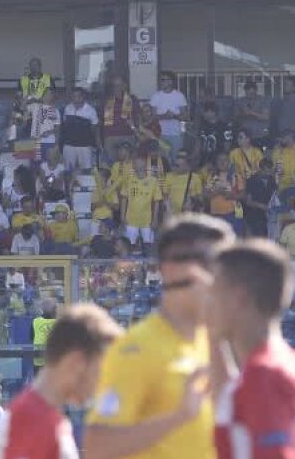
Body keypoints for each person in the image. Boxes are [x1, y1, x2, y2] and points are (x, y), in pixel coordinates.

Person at [84, 213, 234, 459]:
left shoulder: (209, 341)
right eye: (212, 264)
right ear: (172, 270)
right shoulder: (136, 349)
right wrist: (178, 417)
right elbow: (97, 446)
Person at [0, 304, 123, 459]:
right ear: (76, 362)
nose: (100, 385)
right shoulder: (33, 422)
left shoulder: (42, 417)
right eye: (98, 372)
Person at [208, 239, 295, 459]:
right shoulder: (279, 363)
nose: (207, 304)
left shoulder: (262, 376)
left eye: (214, 292)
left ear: (238, 297)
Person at [120, 156, 163, 252]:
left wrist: (155, 219)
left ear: (144, 165)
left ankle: (148, 267)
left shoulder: (153, 181)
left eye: (139, 163)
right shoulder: (128, 180)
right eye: (135, 163)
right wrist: (122, 216)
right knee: (129, 246)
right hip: (130, 220)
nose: (136, 165)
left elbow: (157, 202)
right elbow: (124, 199)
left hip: (147, 221)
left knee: (149, 247)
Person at [151, 72, 189, 164]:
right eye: (161, 80)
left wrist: (174, 116)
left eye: (165, 79)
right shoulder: (156, 96)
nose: (162, 82)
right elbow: (152, 116)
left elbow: (186, 116)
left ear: (171, 81)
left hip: (176, 134)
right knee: (163, 162)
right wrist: (165, 116)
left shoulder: (179, 96)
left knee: (178, 161)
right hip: (161, 134)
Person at [101, 75, 139, 164]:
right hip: (110, 136)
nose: (117, 88)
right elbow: (100, 120)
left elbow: (137, 118)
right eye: (114, 85)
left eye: (119, 85)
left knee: (129, 163)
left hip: (128, 135)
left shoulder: (132, 99)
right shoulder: (106, 99)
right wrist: (100, 139)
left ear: (124, 86)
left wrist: (137, 134)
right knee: (110, 164)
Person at [61, 88, 100, 172]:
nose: (76, 98)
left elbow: (94, 128)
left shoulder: (91, 110)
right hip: (69, 145)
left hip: (85, 146)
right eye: (74, 96)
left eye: (79, 96)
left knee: (86, 170)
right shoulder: (68, 108)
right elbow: (65, 125)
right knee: (68, 170)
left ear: (83, 97)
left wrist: (96, 143)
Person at [163, 151, 205, 219]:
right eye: (174, 164)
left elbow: (200, 199)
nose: (175, 167)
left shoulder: (195, 178)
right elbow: (165, 196)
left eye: (178, 165)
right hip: (171, 216)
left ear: (186, 166)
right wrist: (167, 212)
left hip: (189, 216)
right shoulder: (169, 176)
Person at [243, 158, 277, 239]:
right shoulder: (251, 181)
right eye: (266, 171)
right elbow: (248, 202)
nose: (268, 174)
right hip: (254, 216)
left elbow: (274, 195)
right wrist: (262, 206)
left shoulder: (271, 179)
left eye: (270, 171)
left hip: (267, 216)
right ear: (260, 169)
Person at [235, 81, 271, 146]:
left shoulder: (263, 100)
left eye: (252, 94)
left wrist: (252, 113)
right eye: (247, 93)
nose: (250, 96)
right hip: (245, 136)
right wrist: (243, 114)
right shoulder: (241, 100)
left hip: (260, 135)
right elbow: (236, 116)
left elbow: (266, 117)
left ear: (256, 91)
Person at [32, 299, 59, 374]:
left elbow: (31, 338)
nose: (56, 311)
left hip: (38, 360)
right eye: (55, 309)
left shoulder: (35, 321)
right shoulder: (58, 323)